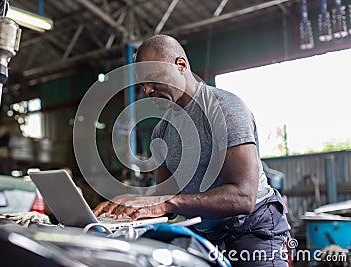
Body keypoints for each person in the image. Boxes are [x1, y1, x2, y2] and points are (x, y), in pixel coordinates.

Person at [94, 35, 291, 266]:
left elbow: (243, 197)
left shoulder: (225, 109)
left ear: (181, 65)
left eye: (153, 78)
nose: (147, 90)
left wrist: (167, 203)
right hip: (206, 232)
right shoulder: (161, 132)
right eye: (142, 85)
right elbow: (165, 197)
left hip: (252, 226)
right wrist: (131, 204)